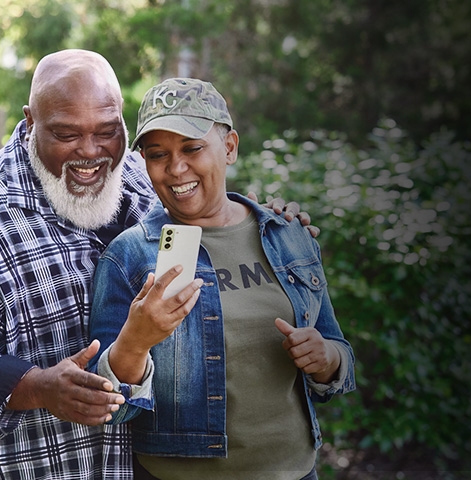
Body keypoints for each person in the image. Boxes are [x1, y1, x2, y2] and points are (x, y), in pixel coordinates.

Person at [0, 50, 316, 479]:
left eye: (107, 131)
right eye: (65, 134)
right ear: (29, 122)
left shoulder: (141, 176)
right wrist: (36, 386)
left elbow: (215, 219)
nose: (90, 152)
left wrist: (270, 226)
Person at [85, 77, 356, 479]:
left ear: (229, 148)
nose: (176, 169)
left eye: (192, 148)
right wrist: (136, 340)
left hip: (296, 470)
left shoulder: (289, 236)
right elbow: (109, 405)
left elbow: (339, 354)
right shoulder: (130, 256)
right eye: (158, 154)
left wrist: (327, 359)